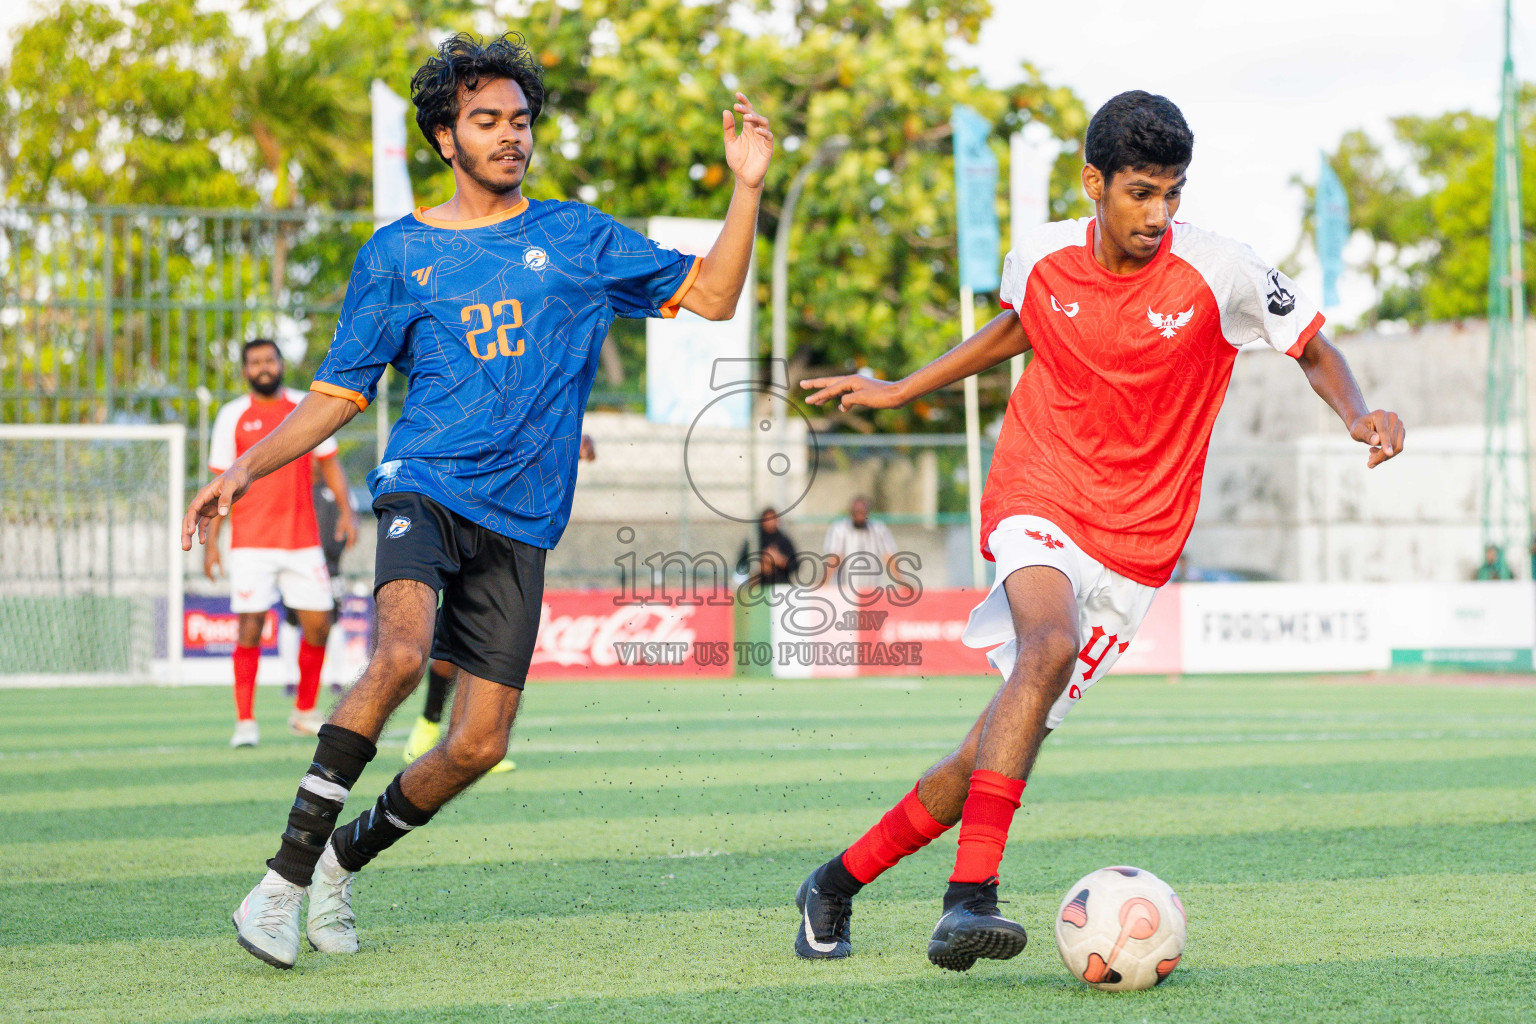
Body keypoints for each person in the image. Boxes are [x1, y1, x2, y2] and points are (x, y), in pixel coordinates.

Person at [181, 32, 772, 970]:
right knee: (404, 653)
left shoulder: (578, 239)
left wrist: (745, 188)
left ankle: (340, 862)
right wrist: (244, 470)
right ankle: (280, 884)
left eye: (520, 121)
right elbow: (340, 393)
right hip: (424, 484)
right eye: (486, 121)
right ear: (445, 137)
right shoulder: (397, 253)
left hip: (523, 519)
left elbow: (715, 297)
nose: (510, 137)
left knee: (481, 744)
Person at [794, 90, 1404, 970]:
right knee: (1044, 649)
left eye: (1173, 194)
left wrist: (1355, 413)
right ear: (1094, 183)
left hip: (1139, 546)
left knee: (992, 750)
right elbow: (1018, 327)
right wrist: (898, 388)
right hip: (1038, 492)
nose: (1159, 214)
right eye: (1141, 193)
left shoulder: (1223, 269)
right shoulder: (1039, 254)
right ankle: (969, 901)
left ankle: (834, 884)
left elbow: (1311, 345)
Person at [400, 435, 593, 770]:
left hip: (513, 529)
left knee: (491, 640)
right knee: (451, 639)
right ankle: (429, 724)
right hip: (467, 513)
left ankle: (467, 739)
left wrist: (574, 438)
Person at [205, 339, 357, 747]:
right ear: (245, 370)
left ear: (280, 364)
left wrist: (347, 510)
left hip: (302, 540)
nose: (263, 367)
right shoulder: (231, 415)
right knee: (249, 628)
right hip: (251, 543)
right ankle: (245, 722)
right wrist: (212, 543)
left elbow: (330, 463)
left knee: (319, 624)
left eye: (269, 359)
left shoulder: (305, 408)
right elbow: (220, 480)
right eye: (254, 362)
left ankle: (304, 712)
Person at [822, 496, 897, 586]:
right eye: (856, 512)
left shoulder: (879, 530)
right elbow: (835, 558)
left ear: (868, 513)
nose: (859, 516)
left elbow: (889, 557)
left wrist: (902, 581)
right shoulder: (839, 529)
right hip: (844, 590)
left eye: (862, 512)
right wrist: (824, 582)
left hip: (871, 590)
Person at [737, 507, 797, 586]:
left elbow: (795, 565)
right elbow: (742, 562)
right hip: (758, 585)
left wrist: (780, 561)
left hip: (780, 585)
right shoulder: (754, 540)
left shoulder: (784, 541)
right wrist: (759, 565)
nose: (770, 522)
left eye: (773, 519)